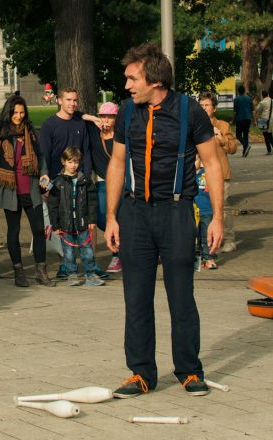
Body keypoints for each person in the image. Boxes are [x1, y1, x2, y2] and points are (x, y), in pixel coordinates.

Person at [105, 43, 223, 397]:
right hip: (135, 213)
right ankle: (141, 374)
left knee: (181, 297)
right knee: (136, 297)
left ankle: (189, 370)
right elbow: (115, 163)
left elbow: (214, 164)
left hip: (176, 212)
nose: (127, 85)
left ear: (154, 80)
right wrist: (111, 216)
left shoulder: (190, 111)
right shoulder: (128, 112)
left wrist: (218, 217)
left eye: (132, 78)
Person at [0, 95, 55, 287]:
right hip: (10, 189)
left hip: (31, 188)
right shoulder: (0, 132)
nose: (19, 116)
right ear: (9, 112)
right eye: (15, 112)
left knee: (38, 230)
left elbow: (40, 156)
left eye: (22, 112)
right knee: (13, 231)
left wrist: (44, 173)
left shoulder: (30, 131)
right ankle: (18, 271)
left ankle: (41, 271)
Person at [40, 88, 107, 279]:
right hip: (58, 182)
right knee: (64, 222)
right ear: (59, 100)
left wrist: (87, 178)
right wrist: (46, 184)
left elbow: (85, 151)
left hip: (80, 181)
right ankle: (65, 264)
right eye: (68, 100)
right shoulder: (49, 125)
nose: (72, 103)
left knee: (87, 221)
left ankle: (91, 264)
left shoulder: (80, 122)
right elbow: (43, 155)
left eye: (75, 100)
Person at [48, 147, 104, 287]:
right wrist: (55, 225)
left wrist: (92, 220)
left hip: (83, 222)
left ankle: (91, 274)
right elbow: (53, 206)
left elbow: (92, 202)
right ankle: (71, 275)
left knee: (87, 250)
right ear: (63, 162)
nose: (73, 165)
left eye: (76, 162)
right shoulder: (57, 182)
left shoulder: (85, 180)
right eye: (70, 162)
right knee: (68, 252)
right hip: (65, 224)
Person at [81, 101, 122, 272]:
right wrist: (93, 119)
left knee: (117, 217)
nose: (105, 120)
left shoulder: (121, 136)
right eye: (103, 116)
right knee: (99, 217)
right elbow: (77, 115)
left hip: (120, 183)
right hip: (102, 182)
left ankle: (117, 255)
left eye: (110, 116)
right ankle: (120, 247)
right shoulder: (94, 131)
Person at [199, 92, 237, 253]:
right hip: (200, 173)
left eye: (207, 105)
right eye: (201, 105)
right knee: (203, 209)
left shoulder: (222, 125)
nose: (204, 108)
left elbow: (233, 148)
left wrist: (221, 138)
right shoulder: (196, 124)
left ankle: (228, 239)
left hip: (220, 173)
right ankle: (206, 240)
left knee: (222, 207)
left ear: (214, 108)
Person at [194, 154, 217, 269]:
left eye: (196, 160)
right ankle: (197, 261)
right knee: (193, 237)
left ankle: (209, 258)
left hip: (206, 210)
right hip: (191, 212)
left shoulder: (206, 174)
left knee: (206, 237)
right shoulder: (185, 175)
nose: (194, 163)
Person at [231, 85, 254, 157]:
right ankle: (244, 152)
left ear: (238, 91)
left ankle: (245, 145)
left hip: (240, 119)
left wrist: (232, 120)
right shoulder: (249, 98)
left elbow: (235, 111)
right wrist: (254, 120)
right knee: (245, 135)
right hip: (248, 118)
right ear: (244, 91)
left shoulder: (236, 99)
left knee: (238, 135)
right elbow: (252, 110)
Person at [256, 90, 273, 155]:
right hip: (271, 119)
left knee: (265, 135)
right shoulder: (272, 101)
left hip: (264, 119)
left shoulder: (262, 102)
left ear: (262, 95)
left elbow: (258, 110)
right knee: (270, 134)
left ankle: (269, 150)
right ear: (268, 94)